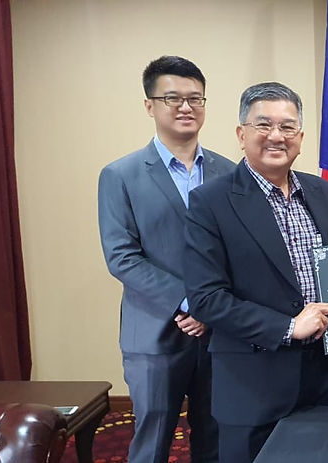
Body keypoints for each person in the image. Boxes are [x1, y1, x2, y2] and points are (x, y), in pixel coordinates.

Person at [183, 82, 328, 463]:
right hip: (253, 385)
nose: (276, 137)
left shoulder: (323, 193)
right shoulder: (210, 202)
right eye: (263, 125)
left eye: (287, 127)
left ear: (300, 136)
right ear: (241, 134)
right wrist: (287, 327)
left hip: (322, 377)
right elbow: (206, 299)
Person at [98, 55, 232, 462]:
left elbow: (239, 252)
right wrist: (192, 301)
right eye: (172, 97)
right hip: (154, 335)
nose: (186, 107)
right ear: (149, 105)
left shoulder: (229, 172)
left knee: (217, 436)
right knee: (152, 442)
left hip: (218, 334)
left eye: (195, 98)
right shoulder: (120, 175)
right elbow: (122, 257)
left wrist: (214, 309)